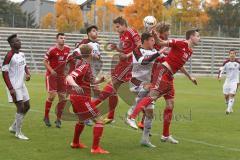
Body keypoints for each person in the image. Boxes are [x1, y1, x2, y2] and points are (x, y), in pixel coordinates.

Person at [126, 29, 200, 144]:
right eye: (198, 36)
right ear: (191, 37)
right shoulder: (180, 43)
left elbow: (179, 65)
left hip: (170, 77)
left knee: (170, 105)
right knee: (152, 96)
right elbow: (161, 42)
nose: (199, 38)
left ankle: (165, 135)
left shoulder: (190, 51)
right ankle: (131, 117)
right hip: (163, 72)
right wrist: (156, 36)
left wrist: (190, 77)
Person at [92, 16, 141, 124]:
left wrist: (127, 55)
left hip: (130, 63)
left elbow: (140, 46)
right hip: (123, 63)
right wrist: (116, 48)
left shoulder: (131, 31)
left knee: (112, 84)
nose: (116, 29)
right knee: (113, 89)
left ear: (123, 25)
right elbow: (125, 49)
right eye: (116, 27)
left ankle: (91, 108)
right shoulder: (122, 35)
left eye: (118, 27)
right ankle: (110, 116)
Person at [66, 44, 108, 154]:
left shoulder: (86, 65)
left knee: (81, 119)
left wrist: (100, 81)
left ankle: (75, 143)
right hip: (81, 98)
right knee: (99, 120)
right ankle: (95, 148)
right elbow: (69, 77)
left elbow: (88, 83)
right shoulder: (84, 65)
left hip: (77, 97)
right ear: (91, 53)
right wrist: (75, 85)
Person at [2, 34, 31, 140]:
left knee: (27, 106)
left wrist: (27, 73)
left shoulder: (22, 54)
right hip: (13, 86)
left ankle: (14, 126)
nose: (20, 42)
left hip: (21, 84)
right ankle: (18, 133)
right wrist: (10, 88)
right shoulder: (9, 56)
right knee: (20, 107)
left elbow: (25, 65)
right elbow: (4, 73)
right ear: (12, 44)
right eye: (17, 41)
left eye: (19, 40)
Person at [43, 33, 71, 128]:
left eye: (64, 38)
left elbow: (68, 62)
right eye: (61, 38)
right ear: (57, 39)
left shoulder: (68, 49)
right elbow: (45, 61)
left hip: (61, 76)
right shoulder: (52, 50)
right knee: (52, 95)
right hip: (52, 76)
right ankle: (46, 116)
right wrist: (51, 70)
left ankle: (58, 119)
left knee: (63, 97)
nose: (63, 39)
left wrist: (67, 71)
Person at [218, 49, 240, 114]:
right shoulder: (226, 62)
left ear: (235, 55)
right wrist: (219, 76)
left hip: (235, 81)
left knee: (232, 95)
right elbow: (221, 69)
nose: (232, 55)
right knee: (226, 96)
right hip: (227, 81)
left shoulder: (238, 63)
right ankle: (230, 107)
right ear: (229, 54)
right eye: (231, 53)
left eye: (233, 53)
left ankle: (228, 110)